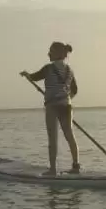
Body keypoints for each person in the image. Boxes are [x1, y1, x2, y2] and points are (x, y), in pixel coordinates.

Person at [21, 41, 80, 176]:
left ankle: (52, 169)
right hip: (66, 106)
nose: (48, 54)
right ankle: (76, 166)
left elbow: (34, 77)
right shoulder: (70, 70)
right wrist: (65, 98)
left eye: (50, 51)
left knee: (52, 137)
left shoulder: (48, 68)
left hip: (52, 106)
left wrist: (26, 74)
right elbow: (75, 90)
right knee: (70, 135)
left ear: (57, 53)